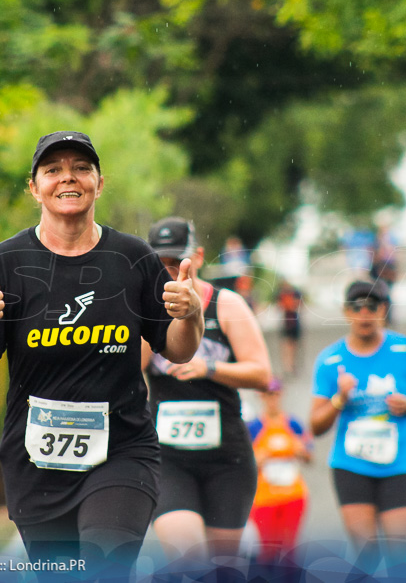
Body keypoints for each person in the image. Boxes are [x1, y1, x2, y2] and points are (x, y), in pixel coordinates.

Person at [0, 132, 204, 580]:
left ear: (99, 183)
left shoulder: (132, 259)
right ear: (34, 187)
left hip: (121, 452)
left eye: (81, 168)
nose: (69, 178)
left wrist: (191, 313)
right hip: (36, 463)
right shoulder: (7, 262)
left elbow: (179, 350)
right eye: (53, 170)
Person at [142, 217, 272, 575]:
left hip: (225, 458)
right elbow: (128, 370)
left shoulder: (227, 306)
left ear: (197, 257)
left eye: (177, 261)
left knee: (224, 570)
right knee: (190, 562)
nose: (169, 270)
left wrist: (210, 369)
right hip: (168, 458)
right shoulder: (146, 306)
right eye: (160, 262)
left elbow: (262, 374)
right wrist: (148, 314)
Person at [309, 280, 406, 567]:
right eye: (357, 307)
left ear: (383, 310)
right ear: (346, 312)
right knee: (367, 557)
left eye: (372, 307)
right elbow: (315, 426)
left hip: (399, 464)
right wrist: (339, 398)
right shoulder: (330, 360)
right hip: (351, 466)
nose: (364, 313)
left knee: (400, 556)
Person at [246, 378, 313, 563]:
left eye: (275, 394)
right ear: (260, 396)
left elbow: (310, 456)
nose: (272, 399)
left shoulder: (293, 424)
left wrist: (301, 451)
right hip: (264, 498)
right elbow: (243, 465)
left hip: (293, 495)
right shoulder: (253, 428)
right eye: (268, 395)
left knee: (288, 550)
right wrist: (258, 459)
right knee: (267, 551)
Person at [275, 281, 304, 376]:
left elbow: (298, 306)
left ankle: (290, 365)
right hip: (288, 322)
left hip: (292, 321)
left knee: (292, 345)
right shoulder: (283, 294)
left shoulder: (293, 294)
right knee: (287, 345)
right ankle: (288, 366)